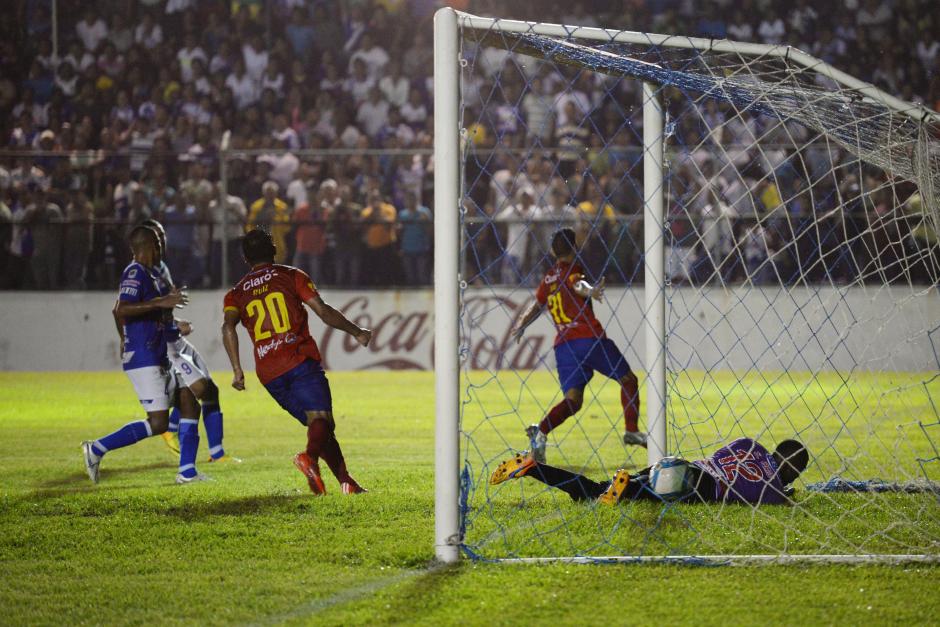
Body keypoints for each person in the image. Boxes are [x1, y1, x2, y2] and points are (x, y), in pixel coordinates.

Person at [221, 229, 371, 495]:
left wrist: (236, 369)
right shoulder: (291, 275)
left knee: (319, 427)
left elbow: (228, 327)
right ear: (274, 248)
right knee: (322, 420)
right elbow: (323, 312)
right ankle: (308, 458)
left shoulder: (236, 293)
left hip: (269, 373)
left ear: (245, 258)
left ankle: (347, 483)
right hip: (298, 360)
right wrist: (356, 332)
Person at [83, 225, 207, 484]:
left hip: (156, 352)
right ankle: (96, 448)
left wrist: (174, 324)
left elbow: (148, 316)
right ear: (148, 246)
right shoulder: (135, 272)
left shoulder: (151, 275)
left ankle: (187, 472)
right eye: (158, 243)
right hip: (144, 357)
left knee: (189, 400)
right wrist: (158, 305)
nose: (162, 247)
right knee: (159, 423)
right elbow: (121, 309)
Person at [509, 227, 644, 462]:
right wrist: (592, 291)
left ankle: (540, 431)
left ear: (552, 251)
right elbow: (577, 284)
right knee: (628, 380)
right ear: (575, 247)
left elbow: (537, 306)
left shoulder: (548, 278)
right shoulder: (574, 269)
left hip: (563, 346)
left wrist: (521, 324)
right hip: (588, 338)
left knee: (573, 400)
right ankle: (631, 430)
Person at [141, 219, 237, 464]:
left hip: (176, 340)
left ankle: (206, 449)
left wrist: (178, 321)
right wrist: (173, 327)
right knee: (200, 391)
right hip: (166, 344)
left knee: (207, 390)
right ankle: (180, 439)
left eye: (163, 236)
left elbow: (163, 309)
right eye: (157, 238)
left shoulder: (161, 267)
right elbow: (142, 313)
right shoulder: (140, 273)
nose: (162, 241)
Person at [490, 437, 809, 507]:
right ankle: (627, 488)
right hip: (699, 488)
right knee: (632, 494)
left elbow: (719, 455)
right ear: (793, 473)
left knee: (594, 491)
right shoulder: (775, 490)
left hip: (684, 466)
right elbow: (779, 500)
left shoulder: (750, 445)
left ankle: (533, 467)